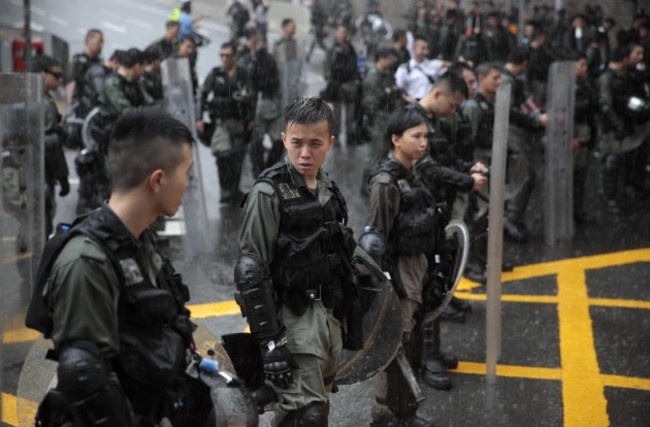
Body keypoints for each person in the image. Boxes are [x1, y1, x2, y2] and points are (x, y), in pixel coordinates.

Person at [26, 108, 215, 426]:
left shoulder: (137, 241)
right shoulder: (87, 262)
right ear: (157, 180)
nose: (189, 183)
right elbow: (84, 379)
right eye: (187, 172)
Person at [235, 97, 357, 426]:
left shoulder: (327, 186)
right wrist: (272, 343)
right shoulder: (267, 193)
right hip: (293, 321)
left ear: (330, 142)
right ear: (283, 139)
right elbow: (250, 272)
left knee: (305, 409)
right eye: (296, 143)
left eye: (315, 144)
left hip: (328, 320)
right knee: (308, 415)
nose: (305, 154)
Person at [413, 73, 487, 388]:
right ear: (440, 92)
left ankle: (432, 352)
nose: (453, 112)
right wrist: (466, 181)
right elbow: (426, 166)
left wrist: (466, 168)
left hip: (435, 211)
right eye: (452, 105)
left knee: (438, 281)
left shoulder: (433, 120)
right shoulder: (414, 120)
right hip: (418, 212)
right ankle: (423, 358)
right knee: (427, 288)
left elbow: (444, 157)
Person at [364, 107, 435, 427]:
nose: (423, 143)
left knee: (412, 341)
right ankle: (384, 413)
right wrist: (387, 285)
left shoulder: (411, 172)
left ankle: (407, 411)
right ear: (395, 139)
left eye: (425, 136)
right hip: (398, 273)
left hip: (416, 266)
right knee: (393, 344)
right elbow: (376, 238)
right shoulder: (385, 182)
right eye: (416, 136)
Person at [500, 47, 547, 241]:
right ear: (525, 64)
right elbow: (510, 111)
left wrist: (538, 113)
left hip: (514, 136)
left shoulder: (511, 80)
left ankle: (513, 218)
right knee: (523, 177)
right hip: (510, 137)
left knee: (524, 177)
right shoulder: (506, 81)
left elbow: (524, 101)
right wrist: (536, 121)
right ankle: (510, 219)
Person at [199, 41, 251, 204]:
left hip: (238, 121)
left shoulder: (243, 75)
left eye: (228, 55)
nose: (224, 59)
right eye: (221, 55)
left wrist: (251, 119)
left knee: (237, 157)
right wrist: (198, 117)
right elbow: (202, 95)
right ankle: (224, 189)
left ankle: (234, 189)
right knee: (223, 156)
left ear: (235, 57)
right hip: (220, 122)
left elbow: (251, 98)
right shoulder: (215, 74)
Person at [32, 55, 70, 238]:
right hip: (40, 172)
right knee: (42, 223)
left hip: (28, 171)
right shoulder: (44, 103)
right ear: (42, 74)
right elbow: (51, 146)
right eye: (56, 74)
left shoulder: (31, 95)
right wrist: (63, 178)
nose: (60, 79)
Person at [361, 47, 404, 194]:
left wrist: (390, 92)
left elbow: (392, 92)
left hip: (385, 118)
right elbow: (373, 101)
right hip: (377, 119)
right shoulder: (373, 76)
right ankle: (366, 185)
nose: (392, 61)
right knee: (375, 153)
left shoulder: (385, 75)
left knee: (382, 153)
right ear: (382, 58)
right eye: (390, 58)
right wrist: (388, 93)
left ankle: (375, 183)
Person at [246, 36, 284, 178]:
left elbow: (277, 83)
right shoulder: (249, 60)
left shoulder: (270, 61)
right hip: (257, 107)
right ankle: (259, 170)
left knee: (278, 141)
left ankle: (268, 169)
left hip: (271, 104)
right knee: (257, 141)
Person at [572, 53, 599, 223]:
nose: (585, 69)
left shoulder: (584, 84)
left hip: (585, 132)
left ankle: (577, 210)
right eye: (581, 65)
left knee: (580, 176)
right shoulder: (568, 85)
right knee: (573, 175)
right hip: (575, 132)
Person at [323, 24, 359, 145]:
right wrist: (329, 78)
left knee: (350, 114)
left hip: (349, 84)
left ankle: (349, 136)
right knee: (336, 114)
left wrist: (355, 78)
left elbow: (355, 64)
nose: (342, 35)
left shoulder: (350, 48)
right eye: (340, 32)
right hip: (337, 84)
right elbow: (327, 64)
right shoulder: (333, 48)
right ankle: (336, 136)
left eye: (344, 32)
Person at [69, 29, 104, 119]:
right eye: (99, 41)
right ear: (89, 41)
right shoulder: (79, 61)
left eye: (102, 42)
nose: (101, 45)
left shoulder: (99, 62)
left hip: (96, 103)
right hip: (82, 104)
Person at [273, 19, 304, 109]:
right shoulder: (278, 44)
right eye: (292, 27)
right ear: (284, 28)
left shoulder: (295, 44)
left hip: (292, 86)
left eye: (294, 27)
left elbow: (296, 67)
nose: (294, 29)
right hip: (280, 84)